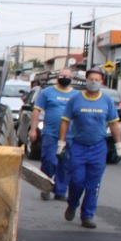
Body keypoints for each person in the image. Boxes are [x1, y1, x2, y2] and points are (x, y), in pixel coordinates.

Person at [57, 68, 121, 229]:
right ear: (86, 81)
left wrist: (119, 145)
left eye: (97, 80)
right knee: (77, 181)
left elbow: (114, 123)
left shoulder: (106, 101)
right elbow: (65, 121)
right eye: (91, 79)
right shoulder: (75, 100)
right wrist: (61, 142)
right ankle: (72, 203)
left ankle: (87, 215)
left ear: (102, 82)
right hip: (78, 146)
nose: (93, 82)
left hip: (98, 147)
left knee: (93, 185)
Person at [29, 68, 77, 201]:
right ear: (57, 77)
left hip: (69, 135)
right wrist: (33, 129)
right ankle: (45, 187)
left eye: (67, 76)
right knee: (49, 161)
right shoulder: (47, 92)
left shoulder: (76, 95)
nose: (64, 77)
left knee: (65, 163)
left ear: (72, 79)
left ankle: (60, 191)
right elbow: (37, 110)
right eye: (62, 75)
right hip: (50, 133)